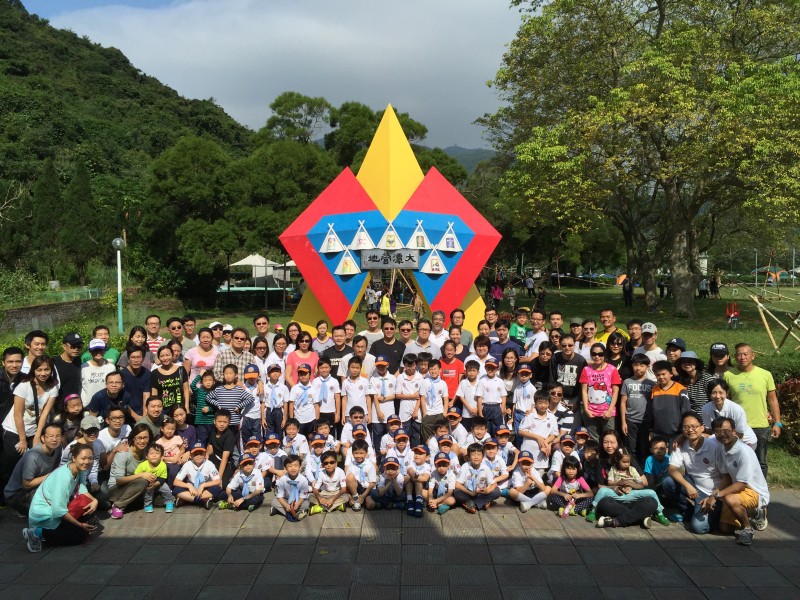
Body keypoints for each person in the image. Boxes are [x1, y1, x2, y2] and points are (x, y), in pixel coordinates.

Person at [22, 443, 98, 552]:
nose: (87, 462)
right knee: (79, 536)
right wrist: (80, 524)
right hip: (45, 516)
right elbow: (58, 510)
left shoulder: (80, 469)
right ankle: (36, 533)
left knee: (87, 516)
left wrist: (95, 500)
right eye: (83, 458)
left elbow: (82, 489)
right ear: (74, 458)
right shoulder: (64, 477)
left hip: (57, 509)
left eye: (90, 458)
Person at [1, 356, 58, 497]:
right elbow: (17, 415)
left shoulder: (53, 386)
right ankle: (9, 495)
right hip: (14, 429)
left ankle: (28, 495)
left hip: (34, 430)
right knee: (14, 462)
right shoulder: (24, 386)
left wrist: (38, 436)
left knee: (34, 461)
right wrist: (22, 439)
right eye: (39, 370)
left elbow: (44, 414)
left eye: (46, 369)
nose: (43, 373)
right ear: (33, 370)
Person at [723, 343, 781, 477]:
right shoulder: (728, 375)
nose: (742, 357)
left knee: (760, 462)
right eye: (739, 354)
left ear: (753, 356)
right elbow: (726, 401)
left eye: (745, 354)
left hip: (760, 426)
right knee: (737, 460)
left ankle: (760, 489)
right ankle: (741, 488)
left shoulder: (765, 374)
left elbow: (773, 400)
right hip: (738, 427)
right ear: (735, 357)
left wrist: (777, 423)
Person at [711, 416, 770, 545]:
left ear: (734, 431)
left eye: (726, 431)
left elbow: (741, 484)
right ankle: (754, 513)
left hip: (753, 491)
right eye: (718, 431)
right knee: (724, 528)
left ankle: (747, 529)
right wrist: (713, 494)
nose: (722, 434)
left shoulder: (744, 451)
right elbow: (727, 477)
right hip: (737, 489)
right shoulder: (722, 448)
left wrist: (716, 496)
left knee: (730, 499)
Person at [663, 412, 725, 533]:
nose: (690, 430)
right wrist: (688, 486)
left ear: (702, 428)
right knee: (668, 482)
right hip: (694, 486)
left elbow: (726, 477)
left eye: (694, 426)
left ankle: (714, 514)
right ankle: (689, 512)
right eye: (686, 427)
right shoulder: (681, 445)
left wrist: (714, 496)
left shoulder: (714, 446)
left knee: (699, 528)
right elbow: (672, 469)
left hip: (713, 493)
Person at [586, 431, 663, 528]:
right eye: (605, 442)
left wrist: (631, 485)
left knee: (652, 502)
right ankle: (640, 518)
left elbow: (644, 482)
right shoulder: (600, 461)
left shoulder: (627, 458)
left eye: (612, 442)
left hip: (634, 498)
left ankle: (615, 521)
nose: (609, 446)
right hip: (615, 499)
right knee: (604, 503)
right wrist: (614, 488)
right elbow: (600, 486)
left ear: (618, 443)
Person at [4, 423, 62, 516]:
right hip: (17, 493)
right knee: (48, 505)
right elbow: (27, 484)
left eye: (58, 436)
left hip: (39, 486)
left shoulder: (58, 448)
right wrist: (51, 475)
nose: (54, 439)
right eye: (51, 436)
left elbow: (56, 468)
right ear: (43, 438)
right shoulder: (33, 456)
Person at [107, 424, 154, 519]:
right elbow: (119, 480)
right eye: (139, 438)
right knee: (142, 481)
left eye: (145, 438)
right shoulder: (124, 453)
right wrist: (141, 475)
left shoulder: (146, 451)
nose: (142, 441)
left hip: (135, 487)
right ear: (133, 438)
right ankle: (118, 505)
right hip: (117, 489)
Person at [579, 343, 621, 440]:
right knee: (594, 440)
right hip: (590, 412)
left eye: (600, 354)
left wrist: (610, 410)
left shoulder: (612, 369)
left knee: (609, 438)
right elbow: (584, 391)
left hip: (607, 412)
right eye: (594, 354)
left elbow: (615, 391)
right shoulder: (586, 370)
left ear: (604, 354)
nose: (597, 357)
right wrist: (586, 410)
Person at [619, 354, 655, 462]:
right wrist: (623, 422)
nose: (638, 368)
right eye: (635, 365)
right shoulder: (627, 382)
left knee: (644, 447)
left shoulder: (652, 384)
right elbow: (623, 403)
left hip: (645, 421)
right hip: (630, 420)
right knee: (631, 448)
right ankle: (633, 467)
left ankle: (644, 468)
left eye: (642, 365)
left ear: (648, 367)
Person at [646, 361, 690, 445]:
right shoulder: (654, 390)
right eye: (658, 375)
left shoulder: (681, 390)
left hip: (676, 434)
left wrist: (683, 433)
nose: (661, 377)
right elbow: (650, 412)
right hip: (658, 434)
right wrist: (651, 430)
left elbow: (686, 412)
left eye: (663, 374)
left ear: (671, 374)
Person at [173, 442, 223, 509]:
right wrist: (188, 486)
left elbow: (218, 481)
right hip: (192, 489)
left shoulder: (209, 464)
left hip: (205, 489)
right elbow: (176, 482)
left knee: (217, 488)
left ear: (205, 454)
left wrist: (203, 485)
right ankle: (201, 500)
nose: (198, 456)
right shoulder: (187, 465)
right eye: (195, 454)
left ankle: (187, 499)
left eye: (201, 453)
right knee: (176, 489)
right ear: (191, 456)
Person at [454, 442, 500, 512]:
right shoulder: (465, 466)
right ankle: (482, 503)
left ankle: (472, 504)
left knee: (497, 491)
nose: (476, 457)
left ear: (483, 457)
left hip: (481, 493)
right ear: (468, 456)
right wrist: (471, 493)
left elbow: (494, 484)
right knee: (456, 492)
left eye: (479, 455)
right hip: (468, 493)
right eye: (473, 455)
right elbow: (457, 484)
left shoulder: (485, 467)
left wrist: (487, 491)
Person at [135, 443, 174, 513]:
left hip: (159, 482)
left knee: (166, 489)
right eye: (151, 453)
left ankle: (169, 502)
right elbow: (137, 474)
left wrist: (156, 484)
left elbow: (163, 477)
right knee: (148, 490)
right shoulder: (142, 465)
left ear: (161, 456)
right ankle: (148, 504)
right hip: (147, 482)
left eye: (157, 453)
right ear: (147, 456)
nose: (154, 455)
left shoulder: (163, 465)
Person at [271, 454, 310, 520]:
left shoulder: (303, 480)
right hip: (286, 500)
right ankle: (294, 513)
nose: (293, 468)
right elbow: (279, 496)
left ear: (300, 467)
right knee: (274, 502)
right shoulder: (282, 479)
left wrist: (298, 504)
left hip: (299, 500)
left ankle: (285, 512)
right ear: (285, 468)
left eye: (296, 465)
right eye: (290, 466)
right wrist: (286, 505)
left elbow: (303, 496)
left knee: (306, 504)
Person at [676, 351, 714, 417]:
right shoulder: (681, 380)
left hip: (706, 415)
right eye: (684, 362)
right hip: (689, 416)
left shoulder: (707, 378)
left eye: (690, 361)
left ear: (696, 363)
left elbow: (714, 398)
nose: (687, 364)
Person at [476, 357, 507, 436]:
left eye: (493, 368)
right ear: (485, 368)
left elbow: (503, 396)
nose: (490, 370)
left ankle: (496, 442)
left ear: (496, 369)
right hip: (486, 407)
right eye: (488, 367)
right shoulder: (482, 380)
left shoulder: (500, 381)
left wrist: (502, 408)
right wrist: (480, 412)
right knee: (486, 429)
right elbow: (479, 397)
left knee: (498, 429)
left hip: (496, 407)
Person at [80, 339, 116, 406]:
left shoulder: (111, 367)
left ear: (104, 350)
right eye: (95, 350)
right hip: (87, 405)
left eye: (101, 350)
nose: (98, 352)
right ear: (90, 351)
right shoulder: (83, 367)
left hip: (106, 405)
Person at [120, 346, 150, 423]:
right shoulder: (121, 375)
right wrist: (136, 417)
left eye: (138, 357)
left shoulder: (147, 374)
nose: (136, 360)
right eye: (133, 357)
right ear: (128, 359)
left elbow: (146, 396)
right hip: (126, 413)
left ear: (143, 358)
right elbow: (121, 399)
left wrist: (144, 418)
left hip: (142, 413)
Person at [53, 332, 83, 405]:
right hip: (60, 404)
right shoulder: (54, 362)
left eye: (79, 346)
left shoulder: (78, 360)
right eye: (73, 346)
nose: (76, 349)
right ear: (64, 346)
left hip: (76, 404)